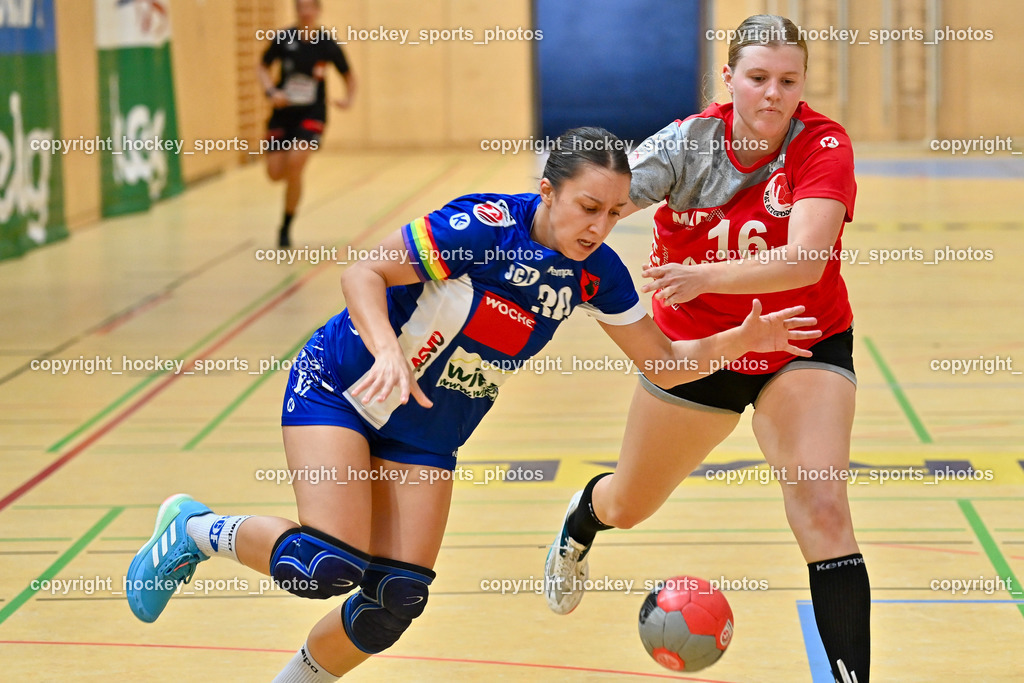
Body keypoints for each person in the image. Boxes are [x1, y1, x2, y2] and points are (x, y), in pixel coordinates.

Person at [125, 127, 819, 682]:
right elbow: (362, 271)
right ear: (547, 192)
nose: (601, 225)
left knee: (393, 600)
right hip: (343, 387)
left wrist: (739, 339)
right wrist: (388, 351)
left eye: (614, 211)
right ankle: (190, 530)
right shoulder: (482, 226)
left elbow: (664, 364)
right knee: (324, 563)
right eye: (587, 207)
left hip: (426, 431)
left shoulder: (595, 272)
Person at [544, 15, 870, 683]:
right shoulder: (686, 146)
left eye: (788, 80)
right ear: (728, 80)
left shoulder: (823, 144)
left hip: (798, 343)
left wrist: (705, 275)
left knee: (823, 503)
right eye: (757, 78)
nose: (773, 94)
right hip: (700, 349)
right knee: (628, 505)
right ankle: (584, 515)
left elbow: (807, 259)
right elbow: (593, 206)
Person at [258, 0, 355, 248]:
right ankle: (290, 194)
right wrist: (270, 91)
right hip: (283, 114)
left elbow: (349, 75)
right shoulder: (284, 38)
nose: (305, 12)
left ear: (317, 10)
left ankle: (286, 225)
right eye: (300, 7)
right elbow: (262, 66)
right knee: (275, 173)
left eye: (309, 7)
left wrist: (348, 98)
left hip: (313, 113)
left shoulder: (326, 43)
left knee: (295, 163)